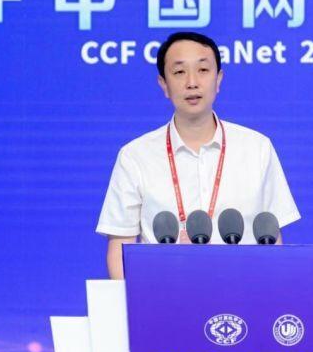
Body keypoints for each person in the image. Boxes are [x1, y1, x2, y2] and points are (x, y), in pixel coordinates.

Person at [96, 32, 300, 279]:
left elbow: (272, 238)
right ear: (163, 84)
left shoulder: (257, 148)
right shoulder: (135, 156)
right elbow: (120, 245)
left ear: (218, 79)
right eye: (179, 72)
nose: (192, 82)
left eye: (203, 70)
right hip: (164, 292)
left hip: (243, 291)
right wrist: (134, 299)